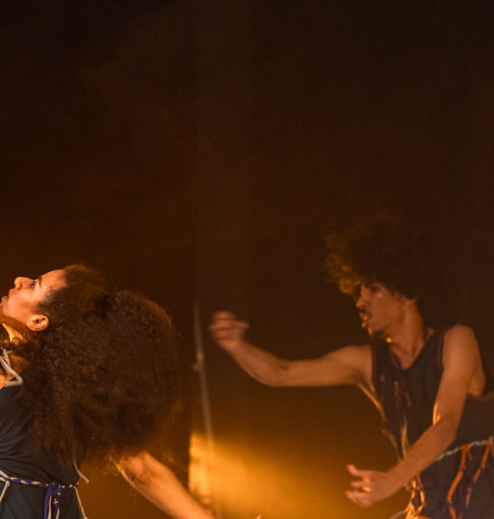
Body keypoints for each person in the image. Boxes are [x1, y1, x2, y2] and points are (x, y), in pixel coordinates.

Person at [0, 122, 216, 519]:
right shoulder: (85, 399)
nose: (19, 280)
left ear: (39, 322)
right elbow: (143, 472)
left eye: (33, 285)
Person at [210, 215, 494, 519]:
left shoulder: (456, 341)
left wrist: (393, 479)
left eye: (372, 289)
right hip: (432, 506)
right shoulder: (367, 362)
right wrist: (238, 347)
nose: (360, 301)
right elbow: (281, 373)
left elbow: (446, 426)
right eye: (359, 291)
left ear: (407, 293)